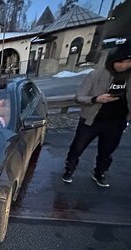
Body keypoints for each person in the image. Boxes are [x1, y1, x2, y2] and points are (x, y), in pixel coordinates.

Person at [62, 43, 131, 187]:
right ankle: (69, 170)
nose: (124, 65)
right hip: (92, 120)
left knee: (106, 151)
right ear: (113, 60)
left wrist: (126, 120)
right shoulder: (96, 74)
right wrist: (96, 99)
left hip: (116, 122)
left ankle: (99, 173)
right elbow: (79, 96)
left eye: (128, 62)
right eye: (121, 61)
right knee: (77, 147)